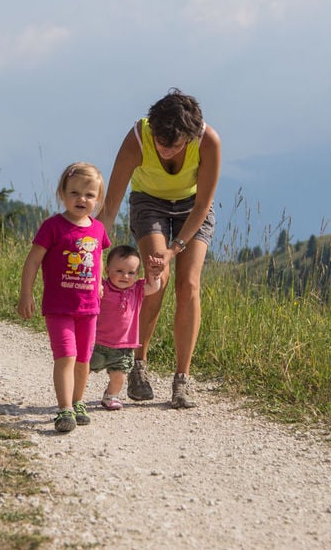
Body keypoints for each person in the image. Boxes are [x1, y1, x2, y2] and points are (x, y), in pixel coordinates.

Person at [95, 88, 221, 409]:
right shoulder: (138, 139)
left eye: (173, 145)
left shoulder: (208, 142)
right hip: (149, 203)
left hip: (193, 208)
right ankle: (139, 365)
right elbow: (109, 209)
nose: (163, 149)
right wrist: (91, 255)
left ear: (190, 138)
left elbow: (204, 205)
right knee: (156, 277)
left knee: (188, 283)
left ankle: (182, 379)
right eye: (159, 142)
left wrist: (175, 248)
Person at [18, 162, 111, 433]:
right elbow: (33, 261)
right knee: (66, 356)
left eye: (89, 195)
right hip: (59, 308)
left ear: (98, 199)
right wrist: (26, 293)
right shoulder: (53, 227)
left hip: (89, 308)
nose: (82, 199)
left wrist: (100, 284)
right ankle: (64, 408)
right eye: (74, 193)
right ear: (62, 193)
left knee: (84, 360)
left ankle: (78, 401)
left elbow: (99, 258)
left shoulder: (98, 229)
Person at [89, 244, 163, 410]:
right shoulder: (103, 287)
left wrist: (154, 275)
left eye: (131, 273)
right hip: (96, 343)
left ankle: (111, 396)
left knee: (119, 375)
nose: (125, 276)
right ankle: (74, 394)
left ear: (137, 275)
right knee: (83, 370)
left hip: (123, 346)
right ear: (107, 271)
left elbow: (154, 287)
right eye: (119, 271)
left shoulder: (137, 290)